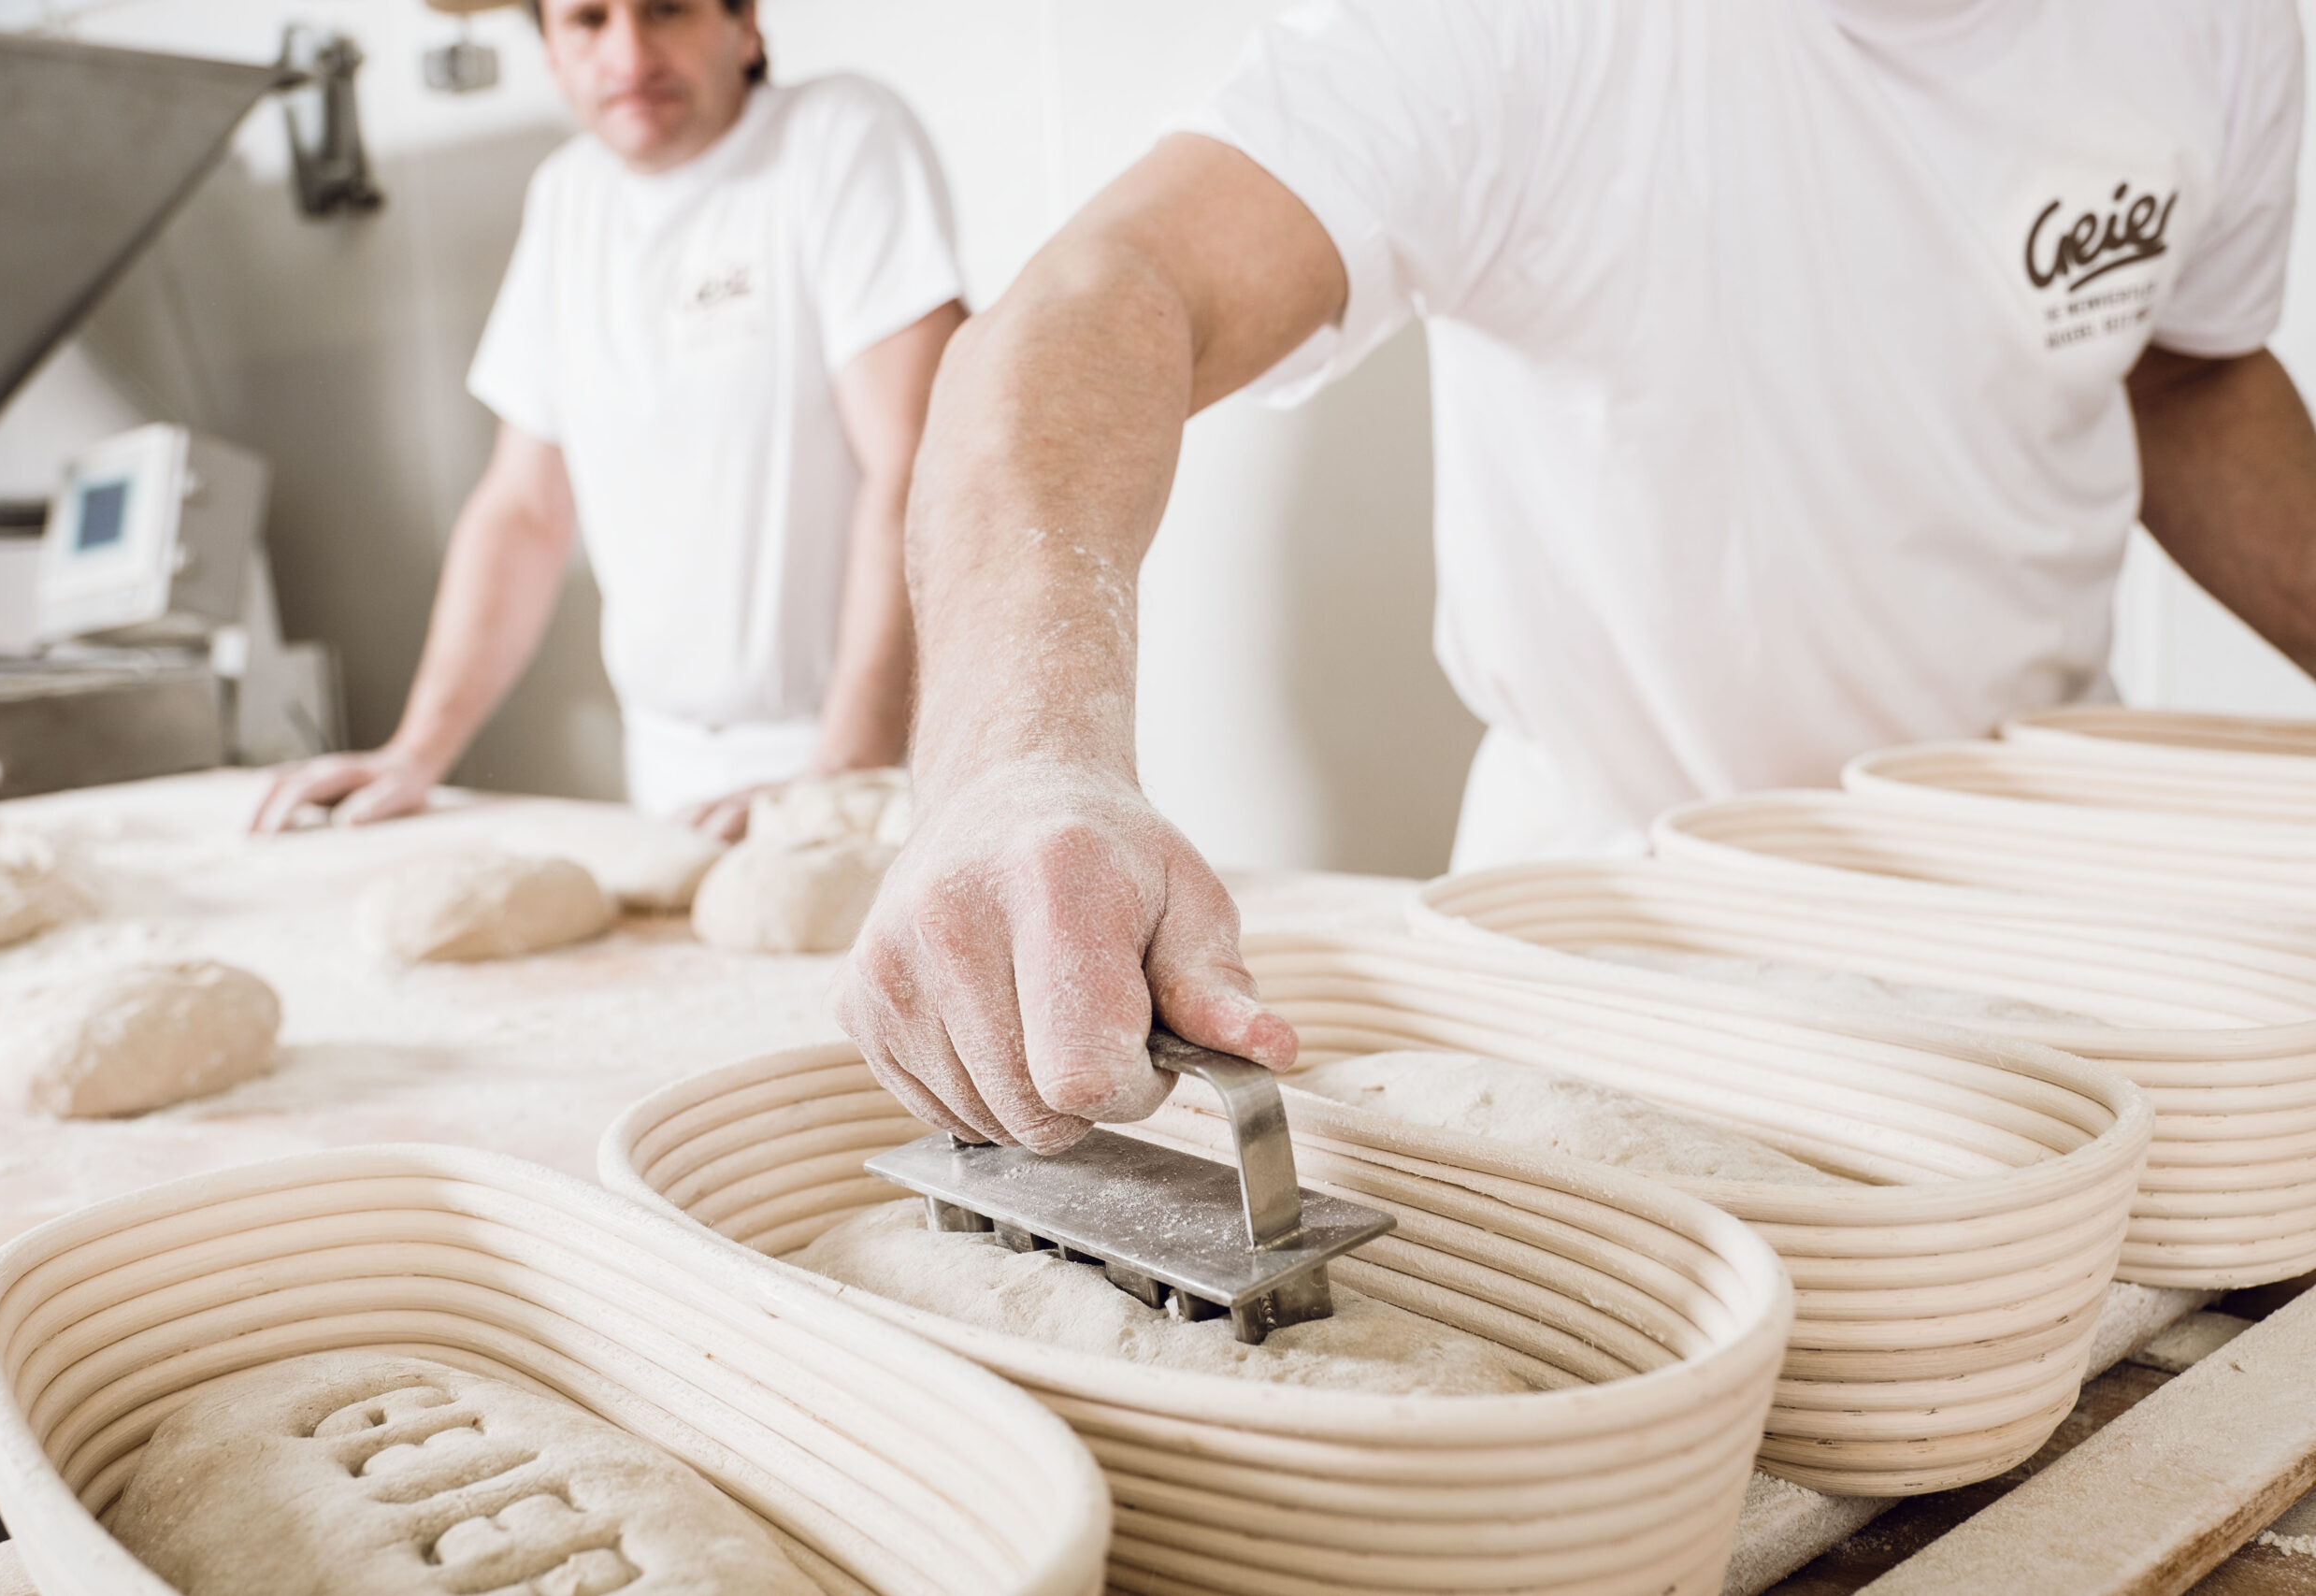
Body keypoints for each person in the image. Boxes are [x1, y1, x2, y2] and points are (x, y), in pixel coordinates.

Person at [834, 0, 2313, 1153]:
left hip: (2058, 943)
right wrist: (1018, 754)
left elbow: (2185, 379)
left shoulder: (2221, 22)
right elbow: (1099, 300)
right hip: (1614, 954)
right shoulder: (1527, 28)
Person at [254, 0, 964, 839]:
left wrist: (841, 778)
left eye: (665, 9)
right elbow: (524, 510)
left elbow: (922, 467)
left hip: (873, 763)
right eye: (589, 20)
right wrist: (416, 749)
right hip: (667, 774)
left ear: (745, 25)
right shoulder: (569, 197)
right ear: (551, 54)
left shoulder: (837, 138)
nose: (629, 54)